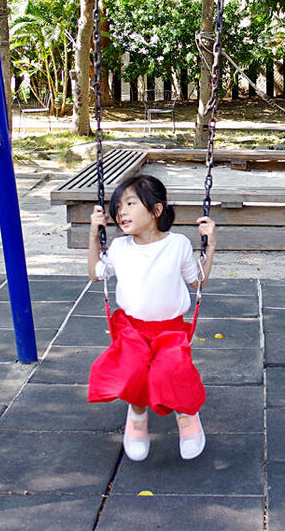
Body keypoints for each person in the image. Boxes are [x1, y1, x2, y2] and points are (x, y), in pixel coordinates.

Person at [87, 173, 216, 462]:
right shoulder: (119, 248)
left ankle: (187, 415)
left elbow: (198, 281)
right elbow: (96, 273)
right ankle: (137, 415)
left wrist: (210, 245)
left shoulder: (178, 244)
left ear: (156, 210)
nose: (121, 212)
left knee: (171, 373)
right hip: (131, 328)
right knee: (131, 372)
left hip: (170, 329)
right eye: (118, 206)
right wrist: (94, 235)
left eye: (130, 203)